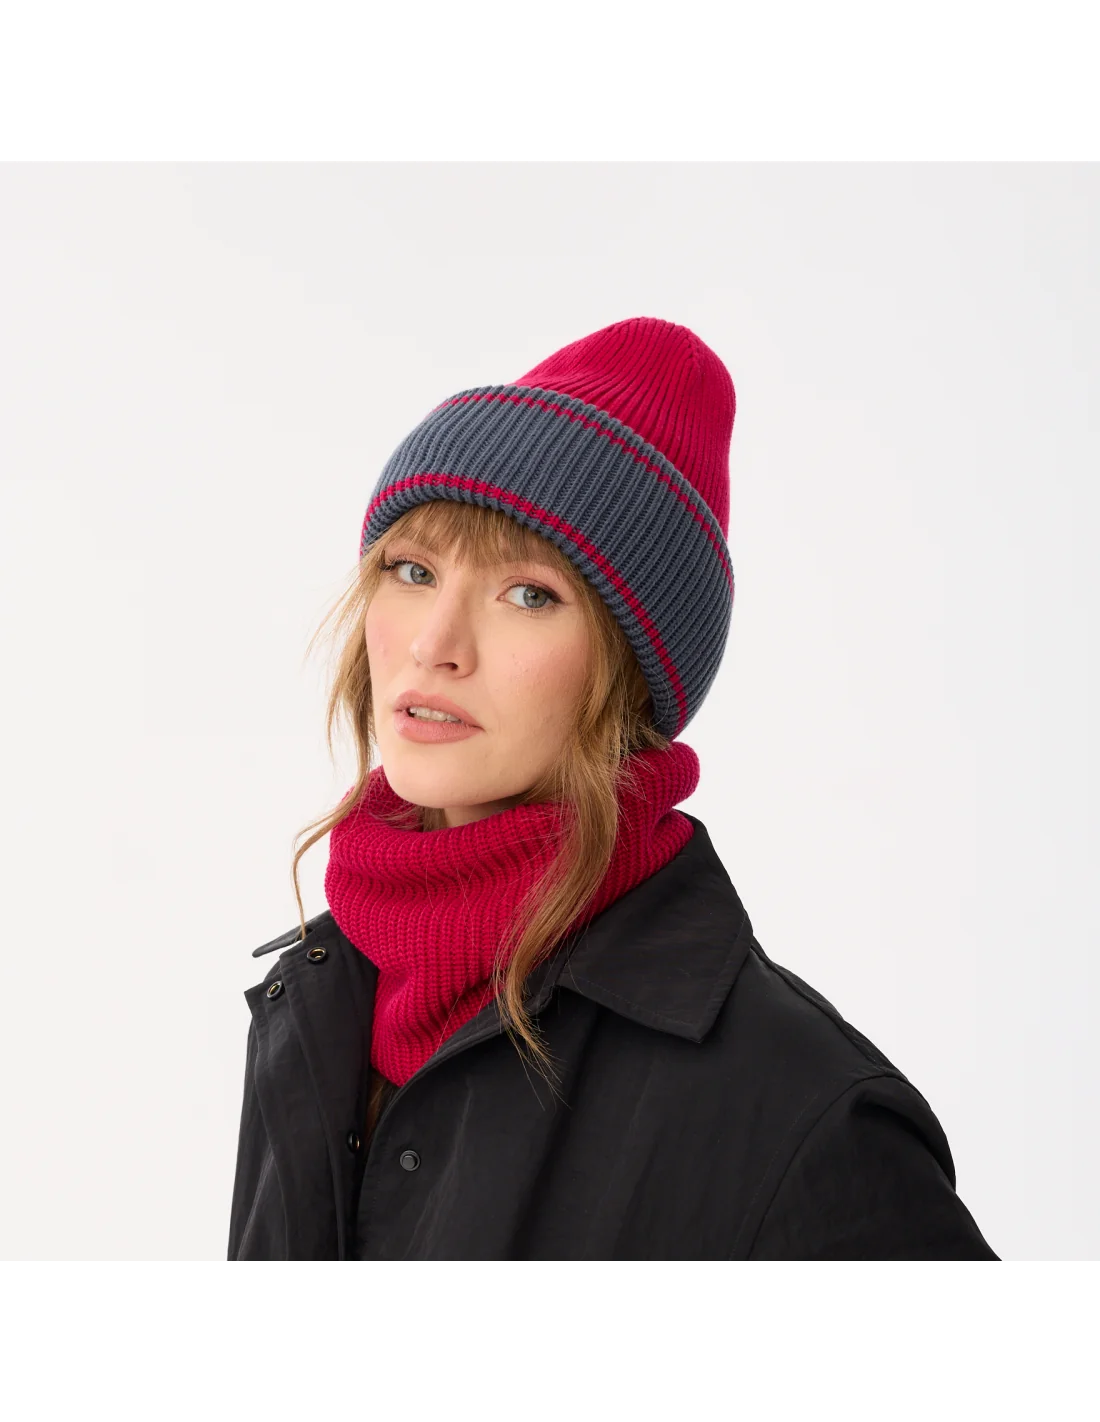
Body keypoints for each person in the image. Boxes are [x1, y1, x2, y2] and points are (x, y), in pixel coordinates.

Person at [225, 316, 1000, 1264]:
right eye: (412, 570)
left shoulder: (807, 1121)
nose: (434, 645)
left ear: (632, 674)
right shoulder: (320, 999)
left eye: (529, 595)